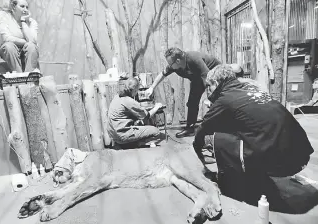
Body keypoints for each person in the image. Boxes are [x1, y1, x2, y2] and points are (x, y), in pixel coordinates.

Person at [193, 64, 314, 202]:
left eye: (210, 86)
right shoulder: (251, 89)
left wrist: (196, 149)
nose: (209, 90)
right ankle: (256, 172)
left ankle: (230, 184)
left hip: (285, 164)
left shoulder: (225, 99)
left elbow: (203, 129)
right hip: (301, 157)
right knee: (243, 130)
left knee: (218, 138)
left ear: (215, 83)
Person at [145, 47, 221, 138]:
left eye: (170, 63)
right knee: (192, 102)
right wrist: (152, 87)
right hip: (197, 78)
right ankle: (190, 128)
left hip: (215, 75)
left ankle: (219, 127)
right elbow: (162, 74)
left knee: (216, 100)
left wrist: (211, 97)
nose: (169, 66)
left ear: (177, 61)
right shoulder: (175, 66)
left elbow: (209, 79)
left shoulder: (194, 59)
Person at [107, 77, 165, 149]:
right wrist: (156, 107)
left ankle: (128, 142)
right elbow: (147, 116)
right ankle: (135, 143)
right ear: (134, 90)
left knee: (139, 123)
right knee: (155, 131)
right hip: (121, 135)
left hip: (113, 134)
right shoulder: (129, 101)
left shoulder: (117, 96)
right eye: (137, 90)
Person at [0, 0, 39, 72]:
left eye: (27, 7)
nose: (25, 9)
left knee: (31, 47)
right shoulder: (3, 16)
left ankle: (29, 77)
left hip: (26, 51)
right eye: (22, 6)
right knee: (8, 46)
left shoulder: (32, 22)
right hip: (10, 51)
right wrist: (26, 42)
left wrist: (23, 21)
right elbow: (6, 38)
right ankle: (19, 75)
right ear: (13, 7)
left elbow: (33, 42)